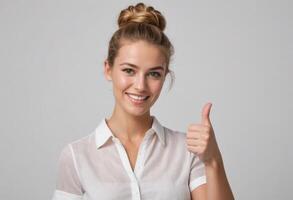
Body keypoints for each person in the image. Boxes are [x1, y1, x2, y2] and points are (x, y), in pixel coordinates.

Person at [52, 2, 234, 200]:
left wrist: (213, 160)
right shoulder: (77, 156)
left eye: (154, 74)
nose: (140, 85)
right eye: (129, 70)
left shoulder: (187, 152)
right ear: (108, 69)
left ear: (165, 77)